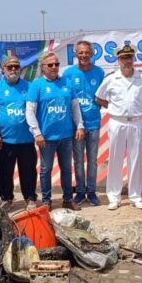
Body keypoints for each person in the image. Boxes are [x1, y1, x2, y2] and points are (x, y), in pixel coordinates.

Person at [95, 43, 142, 210]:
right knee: (115, 159)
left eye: (129, 57)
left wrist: (135, 108)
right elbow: (99, 98)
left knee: (136, 159)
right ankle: (114, 196)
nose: (127, 60)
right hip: (117, 121)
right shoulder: (111, 79)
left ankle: (135, 196)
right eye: (123, 58)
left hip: (136, 122)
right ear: (118, 60)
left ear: (133, 58)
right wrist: (114, 107)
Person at [26, 51, 85, 210]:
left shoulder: (67, 82)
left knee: (66, 169)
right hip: (46, 138)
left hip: (66, 136)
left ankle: (67, 200)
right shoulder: (37, 85)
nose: (54, 67)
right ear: (43, 67)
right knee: (46, 171)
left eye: (57, 64)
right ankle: (46, 201)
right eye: (50, 64)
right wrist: (37, 132)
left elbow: (75, 107)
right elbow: (30, 111)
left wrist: (80, 125)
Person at [0, 55, 38, 210]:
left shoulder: (29, 86)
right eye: (10, 67)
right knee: (5, 172)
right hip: (6, 140)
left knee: (28, 171)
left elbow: (35, 109)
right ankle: (7, 198)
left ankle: (30, 198)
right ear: (3, 69)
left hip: (26, 139)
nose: (13, 69)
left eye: (16, 66)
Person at [63, 40, 104, 206]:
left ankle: (92, 191)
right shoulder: (68, 73)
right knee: (78, 160)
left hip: (93, 122)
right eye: (80, 52)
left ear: (92, 54)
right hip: (75, 126)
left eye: (87, 52)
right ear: (75, 54)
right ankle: (80, 191)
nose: (84, 55)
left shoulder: (99, 72)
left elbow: (103, 96)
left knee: (92, 160)